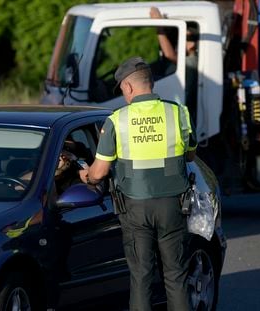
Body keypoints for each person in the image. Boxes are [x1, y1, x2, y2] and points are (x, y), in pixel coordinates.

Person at [79, 56, 197, 311]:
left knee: (141, 277)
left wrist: (86, 175)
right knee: (176, 276)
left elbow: (99, 173)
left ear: (129, 87)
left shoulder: (116, 120)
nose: (123, 95)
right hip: (173, 205)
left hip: (135, 209)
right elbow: (190, 155)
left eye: (121, 89)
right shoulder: (178, 112)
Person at [150, 7, 199, 123]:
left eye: (186, 38)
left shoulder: (193, 61)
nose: (181, 41)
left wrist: (158, 25)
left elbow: (169, 54)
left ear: (193, 44)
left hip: (182, 113)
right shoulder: (182, 59)